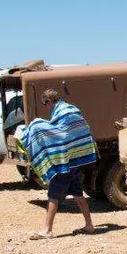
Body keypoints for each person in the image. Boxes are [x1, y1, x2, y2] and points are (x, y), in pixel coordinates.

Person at [21, 89, 97, 239]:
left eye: (45, 104)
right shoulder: (71, 109)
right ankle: (89, 225)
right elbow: (76, 131)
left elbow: (59, 134)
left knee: (53, 196)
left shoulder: (61, 112)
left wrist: (36, 127)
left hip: (65, 163)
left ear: (49, 101)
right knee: (78, 194)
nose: (46, 107)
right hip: (76, 160)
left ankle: (47, 230)